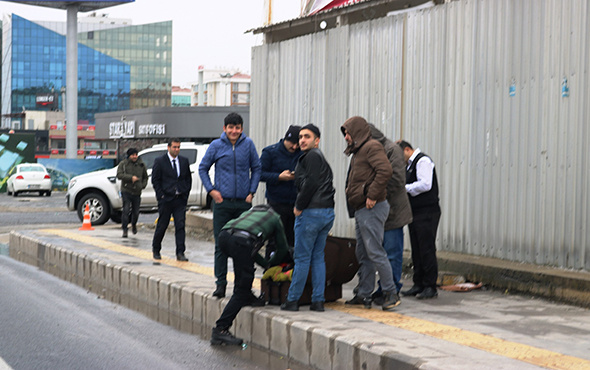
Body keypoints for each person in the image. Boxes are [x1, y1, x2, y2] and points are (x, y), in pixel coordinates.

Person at [199, 112, 261, 299]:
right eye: (231, 127)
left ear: (242, 129)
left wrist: (251, 191)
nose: (234, 131)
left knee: (244, 245)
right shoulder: (216, 146)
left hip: (243, 204)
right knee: (221, 244)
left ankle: (242, 286)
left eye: (237, 128)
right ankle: (220, 284)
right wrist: (212, 190)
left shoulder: (248, 144)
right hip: (222, 203)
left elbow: (256, 167)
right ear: (224, 129)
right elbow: (203, 167)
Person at [341, 116, 399, 311]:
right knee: (363, 252)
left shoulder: (371, 147)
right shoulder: (359, 150)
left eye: (348, 133)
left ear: (357, 132)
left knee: (374, 251)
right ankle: (364, 293)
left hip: (371, 207)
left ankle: (390, 293)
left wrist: (372, 195)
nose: (346, 137)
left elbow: (385, 170)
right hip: (361, 208)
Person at [210, 204, 288, 346]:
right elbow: (283, 248)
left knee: (242, 274)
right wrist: (269, 264)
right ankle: (221, 329)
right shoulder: (275, 218)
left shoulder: (249, 212)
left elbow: (249, 251)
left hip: (224, 237)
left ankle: (248, 298)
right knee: (243, 286)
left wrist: (263, 262)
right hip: (241, 242)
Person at [280, 124, 335, 312]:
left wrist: (298, 206)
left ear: (316, 140)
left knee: (302, 258)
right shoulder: (319, 158)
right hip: (326, 211)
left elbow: (311, 183)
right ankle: (318, 301)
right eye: (301, 137)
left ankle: (293, 300)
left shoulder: (311, 156)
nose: (302, 140)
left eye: (307, 137)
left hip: (311, 212)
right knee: (318, 257)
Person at [368, 124, 413, 304]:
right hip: (377, 210)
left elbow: (396, 181)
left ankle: (391, 288)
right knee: (379, 252)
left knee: (392, 252)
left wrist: (371, 192)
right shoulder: (367, 150)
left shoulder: (391, 150)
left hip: (393, 211)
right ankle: (383, 288)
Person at [398, 140, 441, 300]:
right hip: (415, 211)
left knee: (426, 247)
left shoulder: (423, 161)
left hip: (427, 211)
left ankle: (430, 285)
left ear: (407, 150)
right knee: (416, 248)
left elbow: (425, 185)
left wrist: (405, 188)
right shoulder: (409, 165)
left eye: (399, 154)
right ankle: (419, 283)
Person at [260, 125, 302, 250]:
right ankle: (271, 267)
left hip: (296, 204)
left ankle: (289, 268)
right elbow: (260, 174)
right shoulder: (270, 152)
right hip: (276, 203)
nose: (294, 147)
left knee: (293, 240)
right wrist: (279, 177)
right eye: (292, 143)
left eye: (297, 145)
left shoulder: (302, 154)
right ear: (285, 139)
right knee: (274, 240)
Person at [151, 138, 192, 262]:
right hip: (166, 199)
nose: (176, 149)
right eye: (174, 147)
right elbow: (155, 180)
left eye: (178, 147)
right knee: (162, 225)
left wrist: (185, 193)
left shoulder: (184, 161)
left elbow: (187, 179)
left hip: (180, 199)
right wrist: (161, 196)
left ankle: (180, 252)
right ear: (168, 148)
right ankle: (156, 248)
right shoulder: (160, 161)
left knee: (180, 225)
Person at [116, 148, 148, 238]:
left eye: (136, 155)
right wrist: (130, 178)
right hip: (126, 190)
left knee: (136, 212)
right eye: (133, 155)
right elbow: (119, 175)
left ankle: (133, 224)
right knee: (126, 210)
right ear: (129, 156)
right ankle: (125, 229)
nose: (135, 157)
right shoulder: (124, 164)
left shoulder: (141, 165)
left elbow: (145, 177)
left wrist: (142, 185)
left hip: (137, 191)